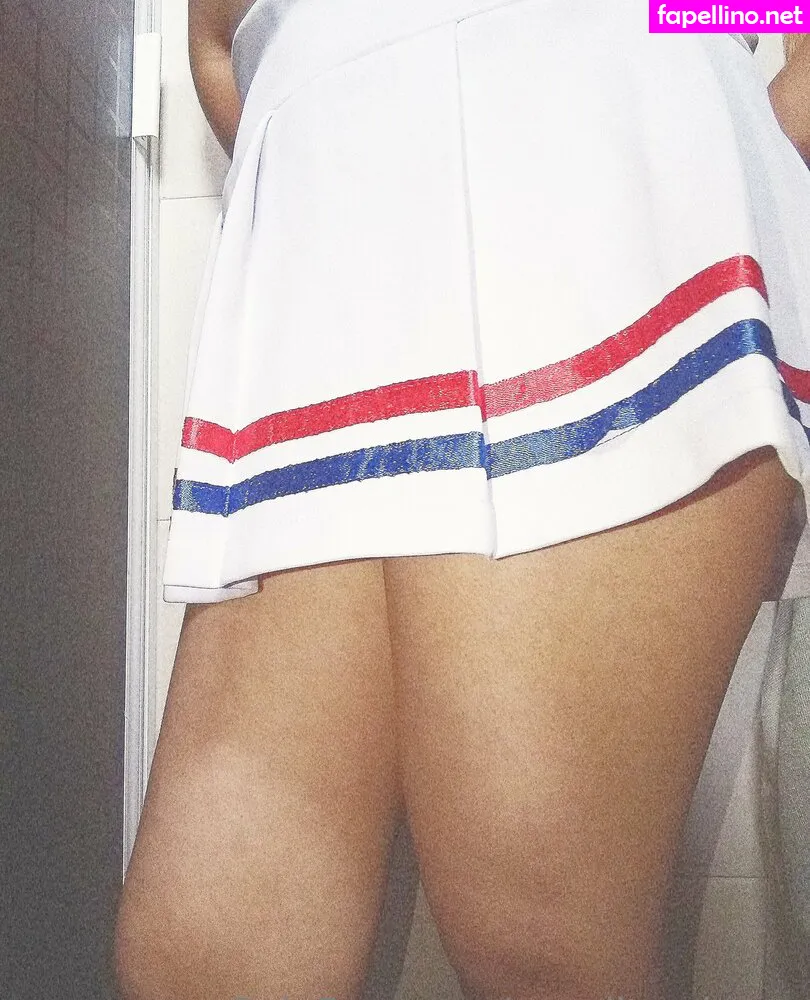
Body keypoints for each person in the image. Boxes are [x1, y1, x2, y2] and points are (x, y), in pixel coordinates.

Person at [115, 3, 810, 998]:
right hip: (322, 227)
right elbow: (216, 43)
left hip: (578, 131)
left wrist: (684, 107)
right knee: (205, 958)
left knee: (539, 938)